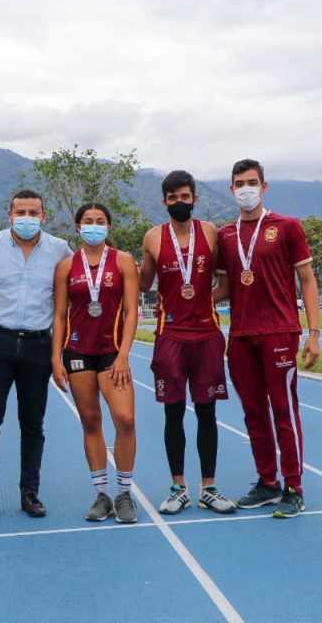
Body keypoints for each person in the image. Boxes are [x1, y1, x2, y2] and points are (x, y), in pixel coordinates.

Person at [214, 159, 321, 519]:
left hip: (279, 331)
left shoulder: (287, 227)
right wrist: (180, 296)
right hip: (241, 335)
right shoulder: (225, 235)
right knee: (253, 413)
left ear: (264, 186)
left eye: (252, 182)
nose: (246, 188)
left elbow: (307, 281)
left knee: (284, 411)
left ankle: (294, 487)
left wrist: (314, 333)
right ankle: (267, 482)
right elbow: (224, 287)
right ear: (231, 190)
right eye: (239, 183)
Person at [0, 189, 72, 521]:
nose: (27, 217)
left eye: (34, 212)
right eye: (21, 212)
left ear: (44, 216)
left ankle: (30, 493)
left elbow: (71, 288)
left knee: (32, 424)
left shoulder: (59, 250)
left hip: (37, 346)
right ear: (9, 214)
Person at [138, 170, 236, 516]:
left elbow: (225, 284)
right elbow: (143, 284)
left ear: (195, 198)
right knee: (173, 413)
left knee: (207, 413)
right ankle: (178, 487)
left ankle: (208, 487)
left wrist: (203, 299)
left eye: (185, 196)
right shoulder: (152, 237)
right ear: (164, 201)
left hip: (207, 334)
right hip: (170, 336)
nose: (179, 202)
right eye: (172, 198)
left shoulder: (210, 232)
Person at [52, 203, 140, 523]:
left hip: (112, 353)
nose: (94, 225)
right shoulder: (65, 267)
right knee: (90, 421)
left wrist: (124, 354)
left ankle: (125, 493)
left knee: (125, 419)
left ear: (109, 227)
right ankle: (102, 494)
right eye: (87, 221)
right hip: (77, 353)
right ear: (77, 228)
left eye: (100, 221)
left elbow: (132, 311)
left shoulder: (124, 261)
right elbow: (60, 315)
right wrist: (56, 358)